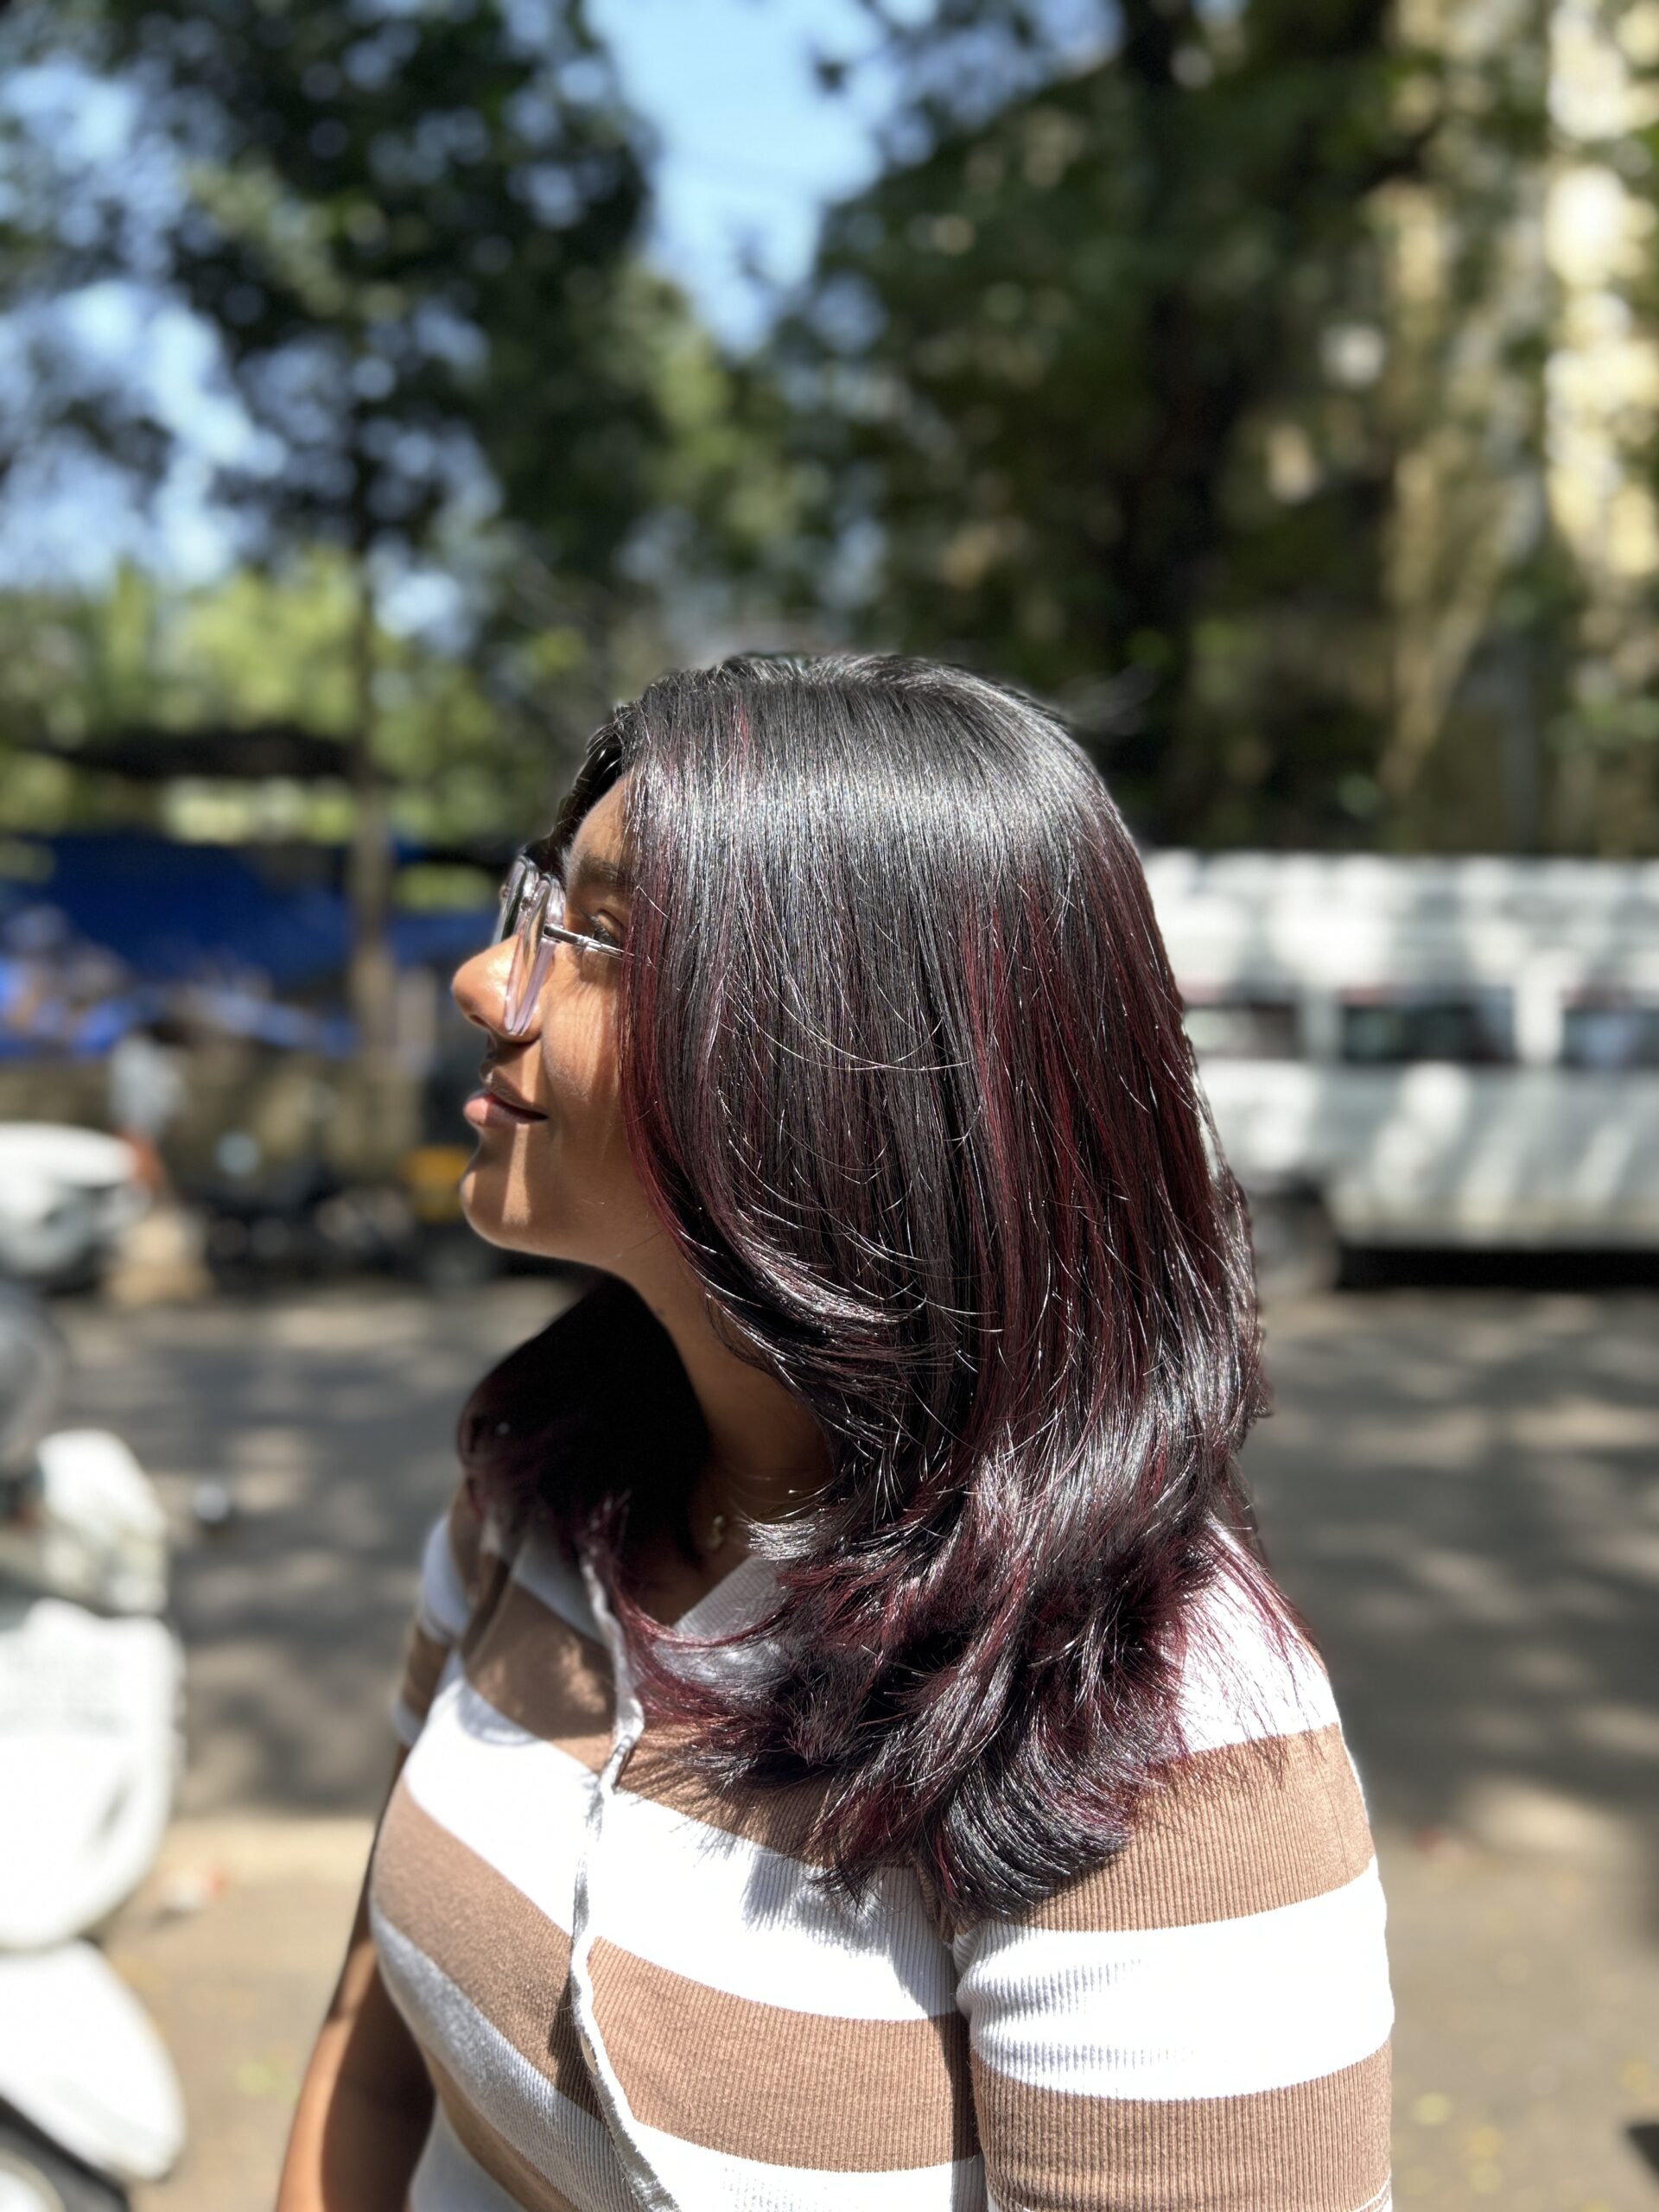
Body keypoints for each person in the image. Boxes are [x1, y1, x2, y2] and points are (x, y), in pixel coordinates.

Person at [278, 656, 1393, 2212]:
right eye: (542, 901)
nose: (486, 981)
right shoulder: (534, 1488)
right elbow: (374, 2041)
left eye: (604, 937)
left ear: (848, 1063)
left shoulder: (1148, 1723)